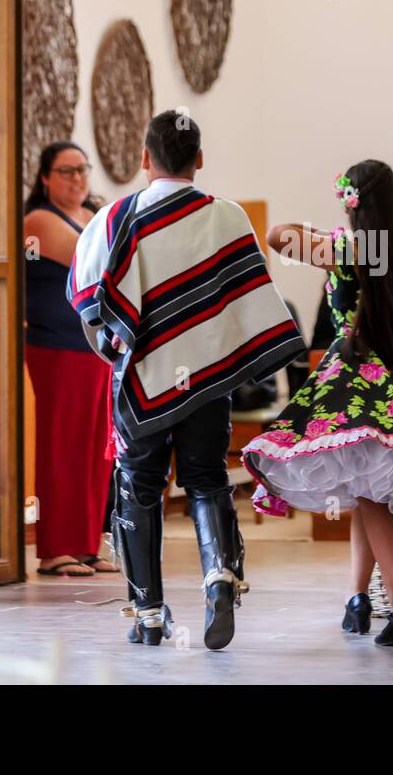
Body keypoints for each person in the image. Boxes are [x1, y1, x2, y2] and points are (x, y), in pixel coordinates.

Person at [68, 110, 305, 650]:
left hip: (142, 380)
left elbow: (87, 306)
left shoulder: (110, 220)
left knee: (139, 488)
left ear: (145, 159)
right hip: (208, 380)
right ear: (199, 160)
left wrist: (114, 355)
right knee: (205, 479)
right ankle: (220, 578)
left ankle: (148, 613)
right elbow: (246, 300)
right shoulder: (229, 218)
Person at [242, 161, 393, 646]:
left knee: (369, 494)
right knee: (363, 491)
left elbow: (276, 234)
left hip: (350, 385)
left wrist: (330, 231)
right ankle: (356, 596)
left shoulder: (346, 249)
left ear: (353, 204)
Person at [23, 142, 116, 577]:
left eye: (82, 170)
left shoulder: (92, 214)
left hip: (95, 349)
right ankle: (56, 548)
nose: (78, 178)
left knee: (96, 450)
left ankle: (87, 544)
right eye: (66, 171)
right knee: (62, 447)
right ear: (45, 177)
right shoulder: (39, 219)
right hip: (57, 349)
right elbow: (94, 263)